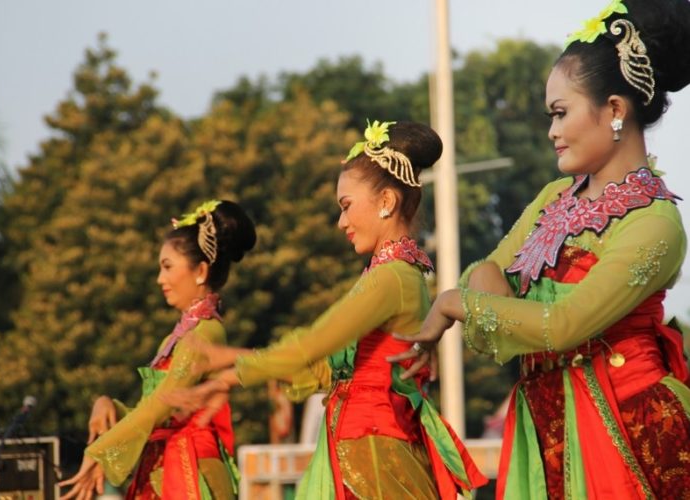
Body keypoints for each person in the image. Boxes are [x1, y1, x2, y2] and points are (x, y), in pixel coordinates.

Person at [398, 0, 690, 497]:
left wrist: (456, 304)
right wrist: (486, 296)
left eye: (561, 113)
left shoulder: (655, 224)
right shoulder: (556, 198)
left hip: (629, 431)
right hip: (546, 425)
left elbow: (563, 326)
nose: (552, 131)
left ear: (615, 110)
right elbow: (487, 270)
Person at [164, 120, 488, 499]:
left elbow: (314, 342)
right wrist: (230, 372)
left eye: (346, 206)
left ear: (386, 202)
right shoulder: (387, 275)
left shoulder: (393, 278)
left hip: (377, 461)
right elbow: (325, 366)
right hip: (359, 453)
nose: (341, 222)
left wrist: (233, 369)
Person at [58, 199, 256, 500]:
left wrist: (102, 451)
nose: (160, 279)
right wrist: (107, 404)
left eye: (167, 267)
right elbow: (152, 411)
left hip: (191, 472)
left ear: (200, 271)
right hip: (163, 466)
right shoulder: (178, 335)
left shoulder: (206, 332)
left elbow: (162, 405)